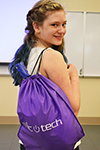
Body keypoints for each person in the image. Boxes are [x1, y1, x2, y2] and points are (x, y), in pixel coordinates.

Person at [9, 0, 81, 150]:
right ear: (36, 26)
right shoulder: (51, 56)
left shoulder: (24, 54)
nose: (62, 30)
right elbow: (73, 108)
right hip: (56, 140)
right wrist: (74, 76)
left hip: (30, 140)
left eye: (64, 24)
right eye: (54, 25)